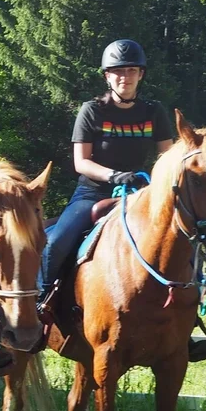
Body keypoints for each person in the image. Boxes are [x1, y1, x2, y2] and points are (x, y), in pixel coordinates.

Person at [39, 38, 175, 306]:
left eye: (132, 71)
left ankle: (187, 316)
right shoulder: (92, 111)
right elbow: (82, 162)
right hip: (93, 192)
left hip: (141, 193)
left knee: (181, 242)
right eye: (118, 71)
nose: (125, 77)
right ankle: (40, 304)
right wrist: (114, 175)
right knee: (56, 243)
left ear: (141, 74)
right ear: (107, 76)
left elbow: (167, 157)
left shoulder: (154, 112)